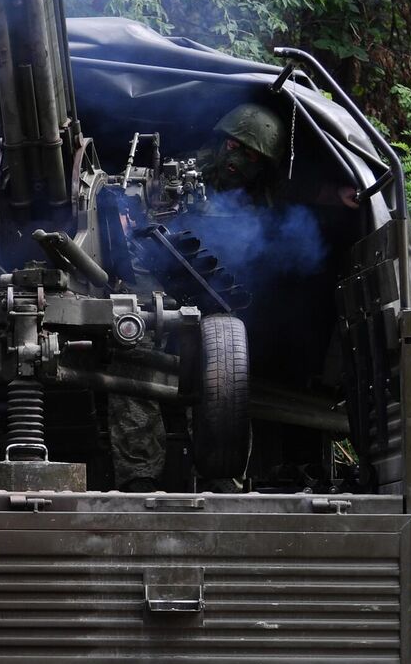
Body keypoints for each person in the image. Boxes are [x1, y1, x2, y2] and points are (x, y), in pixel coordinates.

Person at [107, 100, 311, 491]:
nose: (237, 159)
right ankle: (139, 476)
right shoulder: (176, 173)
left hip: (209, 289)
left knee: (223, 368)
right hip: (151, 277)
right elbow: (125, 212)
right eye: (234, 147)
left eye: (251, 154)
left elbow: (299, 197)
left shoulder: (261, 197)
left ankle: (220, 472)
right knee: (133, 358)